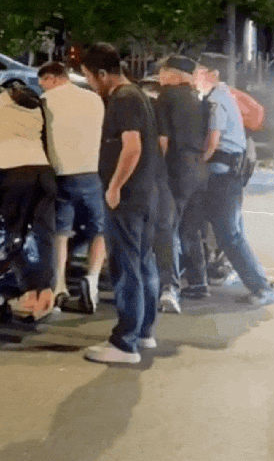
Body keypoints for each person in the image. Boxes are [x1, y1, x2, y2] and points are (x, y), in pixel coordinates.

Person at [79, 43, 161, 365]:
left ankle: (125, 343)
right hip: (146, 193)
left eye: (89, 77)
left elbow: (132, 147)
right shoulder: (138, 95)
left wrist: (114, 186)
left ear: (102, 73)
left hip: (128, 196)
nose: (89, 84)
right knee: (143, 263)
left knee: (126, 268)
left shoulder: (123, 98)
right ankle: (143, 332)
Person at [0, 61, 59, 320]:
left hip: (13, 174)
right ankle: (46, 290)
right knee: (45, 234)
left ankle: (28, 292)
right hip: (43, 173)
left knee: (15, 232)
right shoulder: (38, 105)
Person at [195, 57, 274, 306]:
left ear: (212, 74)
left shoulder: (217, 100)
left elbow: (213, 141)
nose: (195, 77)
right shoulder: (226, 95)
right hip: (234, 171)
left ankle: (261, 287)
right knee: (231, 231)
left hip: (224, 175)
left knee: (229, 234)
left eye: (199, 72)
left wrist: (197, 162)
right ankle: (253, 280)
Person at [36, 60, 107, 314]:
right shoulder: (94, 99)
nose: (42, 88)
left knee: (61, 233)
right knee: (100, 229)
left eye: (43, 83)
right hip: (92, 172)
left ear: (52, 78)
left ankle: (59, 286)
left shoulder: (45, 101)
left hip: (60, 174)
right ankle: (92, 279)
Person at [152, 55, 211, 313]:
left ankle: (169, 287)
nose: (160, 77)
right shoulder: (200, 99)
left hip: (176, 165)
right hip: (199, 167)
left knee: (166, 227)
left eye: (162, 72)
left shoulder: (165, 97)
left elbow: (162, 140)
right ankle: (199, 282)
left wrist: (156, 170)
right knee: (191, 228)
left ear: (174, 75)